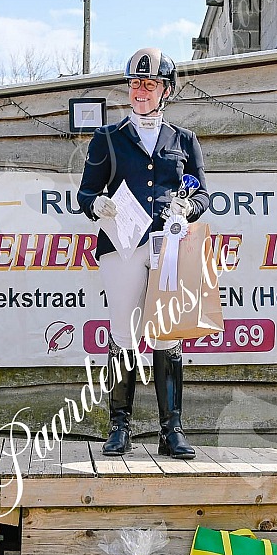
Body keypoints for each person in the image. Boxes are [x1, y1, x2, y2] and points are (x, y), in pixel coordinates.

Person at [77, 48, 210, 460]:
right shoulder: (108, 137)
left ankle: (172, 431)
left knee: (169, 335)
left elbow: (203, 192)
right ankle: (120, 427)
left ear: (165, 91)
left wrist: (188, 208)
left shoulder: (184, 139)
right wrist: (96, 205)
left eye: (149, 84)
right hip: (122, 244)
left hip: (168, 245)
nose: (140, 91)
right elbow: (85, 191)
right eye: (135, 84)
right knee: (123, 332)